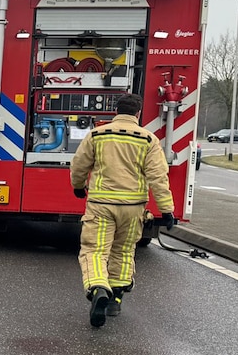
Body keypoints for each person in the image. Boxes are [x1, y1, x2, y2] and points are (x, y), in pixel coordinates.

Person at [69, 93, 175, 327]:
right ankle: (115, 299)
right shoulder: (148, 140)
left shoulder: (97, 135)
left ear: (115, 111)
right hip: (133, 208)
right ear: (137, 114)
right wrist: (167, 210)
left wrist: (78, 186)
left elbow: (79, 163)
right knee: (123, 251)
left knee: (95, 250)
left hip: (101, 205)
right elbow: (158, 176)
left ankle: (98, 288)